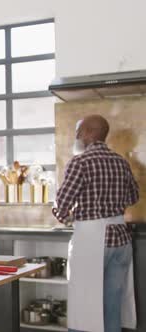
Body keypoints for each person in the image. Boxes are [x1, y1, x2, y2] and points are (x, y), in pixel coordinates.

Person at [52, 114, 139, 332]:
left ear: (90, 133)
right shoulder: (121, 162)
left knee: (84, 306)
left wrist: (63, 216)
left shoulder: (80, 162)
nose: (77, 136)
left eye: (79, 131)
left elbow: (62, 203)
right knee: (112, 306)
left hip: (91, 242)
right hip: (121, 239)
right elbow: (133, 197)